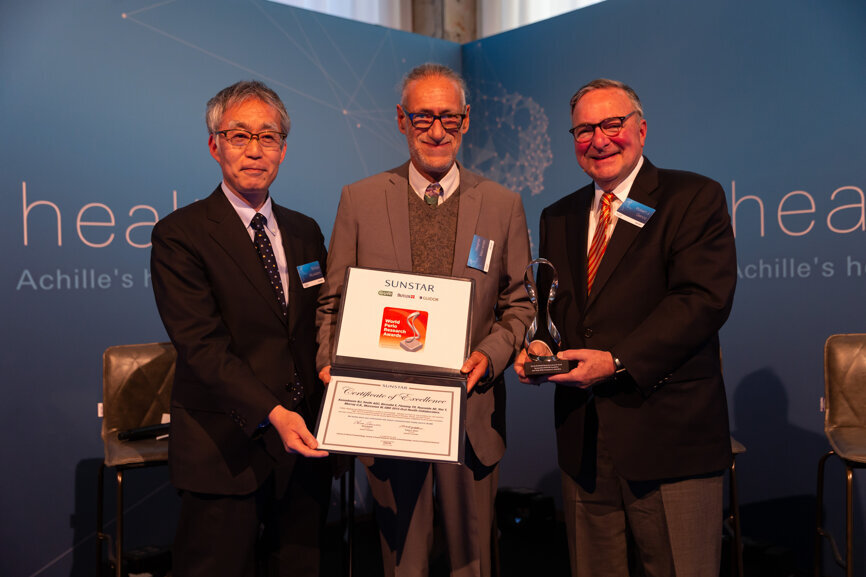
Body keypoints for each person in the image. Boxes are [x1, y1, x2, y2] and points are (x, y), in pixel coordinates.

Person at [316, 63, 533, 577]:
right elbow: (333, 302)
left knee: (472, 563)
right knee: (403, 565)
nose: (437, 131)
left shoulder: (502, 204)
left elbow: (521, 303)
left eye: (449, 118)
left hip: (470, 412)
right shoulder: (360, 199)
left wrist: (489, 356)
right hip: (388, 416)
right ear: (401, 119)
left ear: (466, 119)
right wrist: (329, 363)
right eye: (423, 118)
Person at [514, 78, 737, 576]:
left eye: (612, 124)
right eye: (584, 130)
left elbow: (703, 300)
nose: (599, 140)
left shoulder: (692, 196)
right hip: (584, 439)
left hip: (668, 434)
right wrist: (539, 347)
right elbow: (558, 309)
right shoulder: (558, 215)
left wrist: (617, 361)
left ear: (641, 129)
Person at [151, 80, 332, 577]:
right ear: (215, 146)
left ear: (283, 150)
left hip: (304, 447)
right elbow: (202, 347)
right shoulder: (180, 235)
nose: (255, 150)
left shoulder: (305, 231)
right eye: (239, 135)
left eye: (268, 137)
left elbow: (322, 321)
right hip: (224, 449)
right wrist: (273, 413)